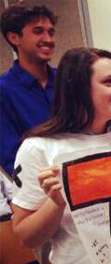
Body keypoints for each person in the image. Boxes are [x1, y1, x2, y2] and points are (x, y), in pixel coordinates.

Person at [10, 48, 111, 264]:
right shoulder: (39, 148)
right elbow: (27, 237)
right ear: (79, 90)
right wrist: (56, 201)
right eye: (109, 81)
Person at [0, 3, 57, 175]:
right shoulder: (3, 90)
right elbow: (10, 157)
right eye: (38, 31)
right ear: (14, 38)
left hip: (80, 178)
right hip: (37, 187)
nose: (48, 39)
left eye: (51, 32)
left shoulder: (67, 80)